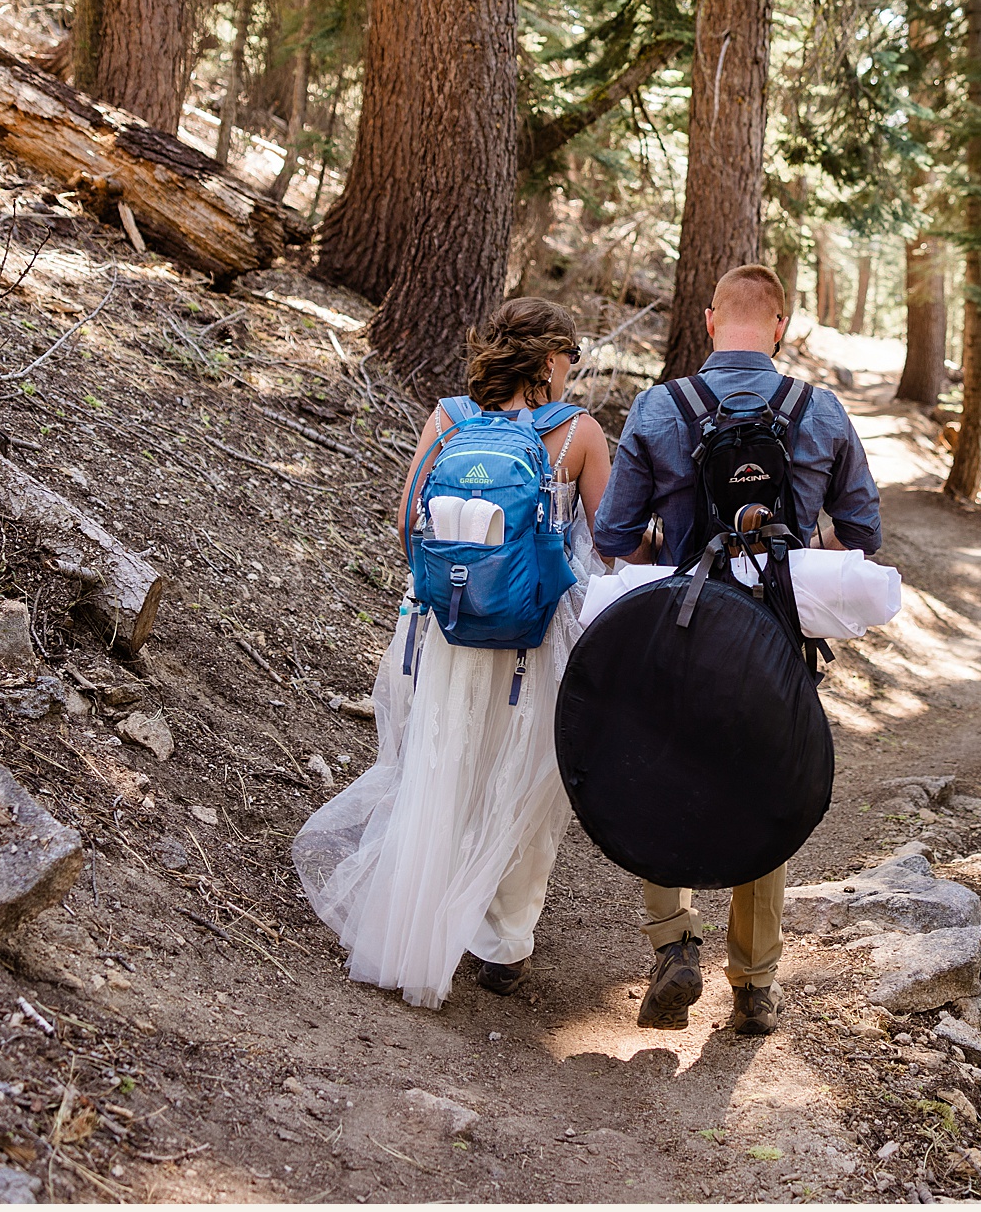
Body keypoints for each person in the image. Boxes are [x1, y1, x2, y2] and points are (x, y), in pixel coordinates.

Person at [292, 298, 612, 1007]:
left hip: (453, 627)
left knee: (443, 766)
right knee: (526, 779)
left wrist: (452, 585)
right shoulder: (578, 434)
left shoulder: (448, 419)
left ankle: (418, 927)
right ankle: (502, 947)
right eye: (572, 358)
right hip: (532, 636)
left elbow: (410, 523)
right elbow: (613, 542)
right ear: (552, 360)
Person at [590, 263, 882, 1036]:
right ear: (780, 327)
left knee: (660, 776)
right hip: (775, 638)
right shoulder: (819, 411)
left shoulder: (660, 406)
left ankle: (672, 947)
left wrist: (674, 539)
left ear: (711, 322)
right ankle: (754, 982)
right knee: (766, 789)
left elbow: (614, 537)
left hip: (681, 630)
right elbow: (865, 535)